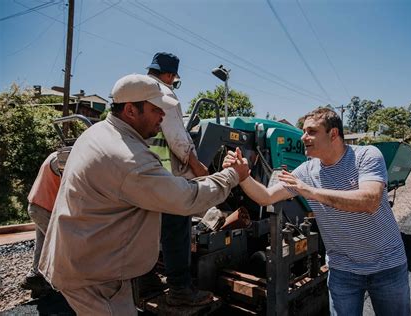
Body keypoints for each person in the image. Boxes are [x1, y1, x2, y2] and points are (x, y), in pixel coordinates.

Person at [39, 74, 249, 316]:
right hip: (96, 278)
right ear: (130, 110)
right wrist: (233, 176)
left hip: (86, 260)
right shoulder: (127, 157)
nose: (163, 116)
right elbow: (185, 199)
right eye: (156, 110)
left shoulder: (98, 132)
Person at [223, 108, 411, 316]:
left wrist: (309, 191)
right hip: (343, 271)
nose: (304, 137)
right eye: (303, 131)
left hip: (386, 266)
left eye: (311, 131)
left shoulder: (366, 156)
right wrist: (243, 177)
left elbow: (369, 201)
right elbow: (266, 197)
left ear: (333, 134)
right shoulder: (306, 170)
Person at [145, 52, 211, 306]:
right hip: (166, 175)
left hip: (142, 172)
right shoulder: (164, 94)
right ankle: (180, 289)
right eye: (174, 78)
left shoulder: (135, 93)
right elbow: (177, 137)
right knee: (177, 230)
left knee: (147, 228)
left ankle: (146, 278)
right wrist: (196, 165)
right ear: (170, 76)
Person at [20, 151, 60, 297]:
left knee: (42, 245)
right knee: (60, 245)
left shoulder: (54, 156)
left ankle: (35, 278)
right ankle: (67, 284)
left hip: (37, 204)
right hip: (46, 208)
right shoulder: (61, 160)